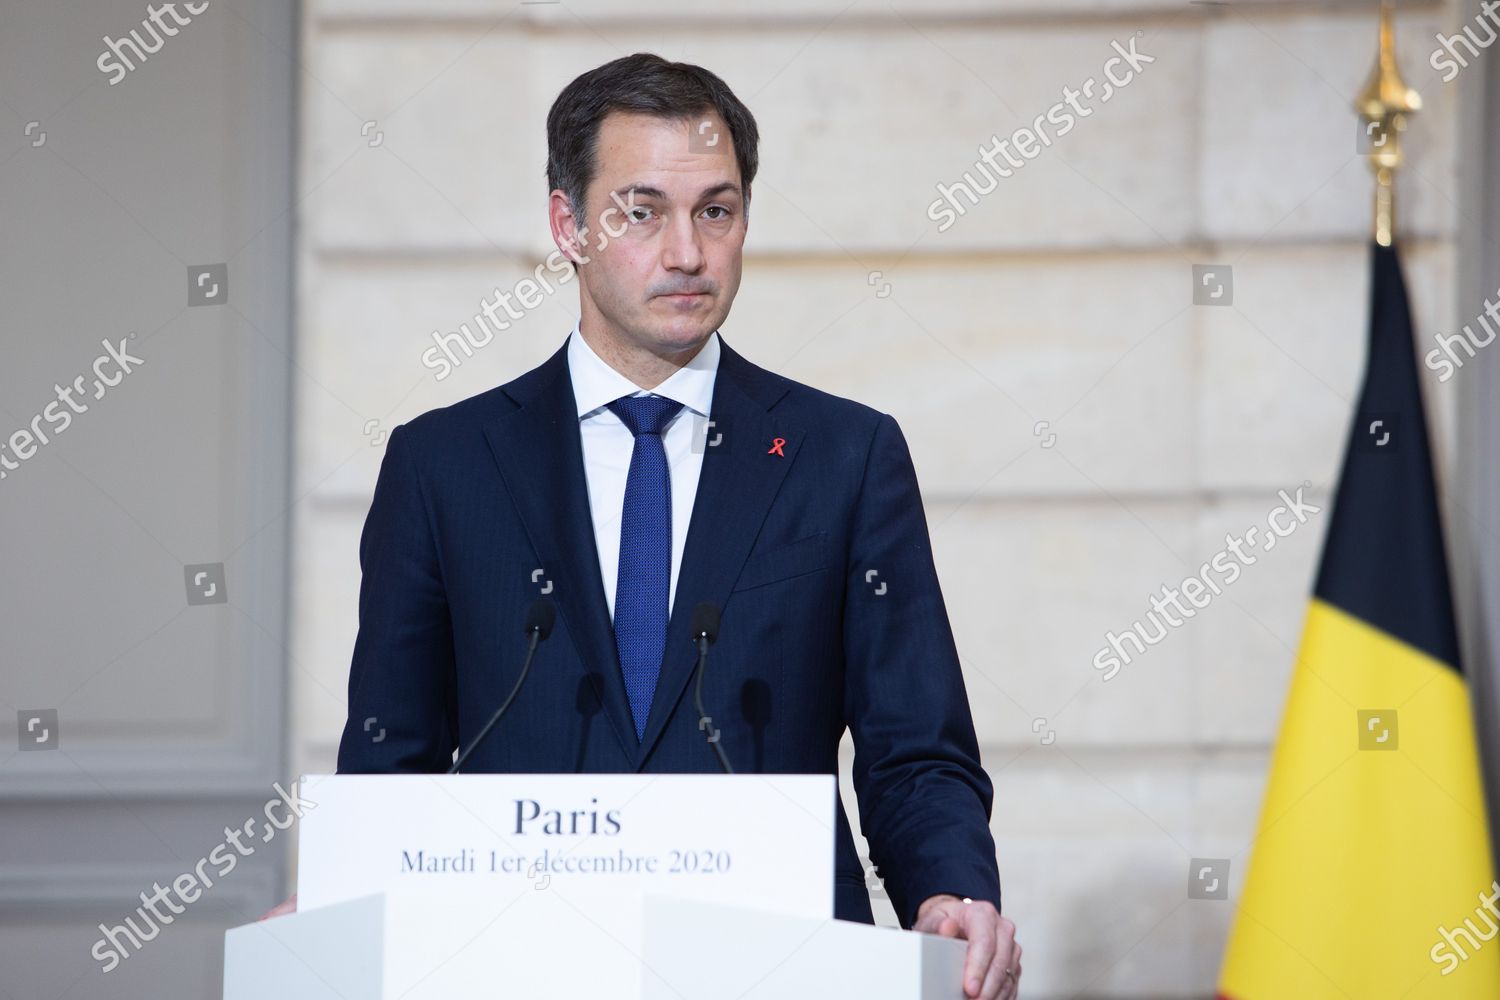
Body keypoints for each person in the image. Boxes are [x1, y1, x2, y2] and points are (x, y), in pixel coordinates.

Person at [275, 52, 1022, 1000]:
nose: (687, 252)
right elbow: (394, 763)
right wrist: (341, 910)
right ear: (567, 225)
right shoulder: (443, 465)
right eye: (641, 210)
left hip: (786, 964)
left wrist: (949, 890)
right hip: (515, 966)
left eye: (716, 209)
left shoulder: (846, 455)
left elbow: (915, 749)